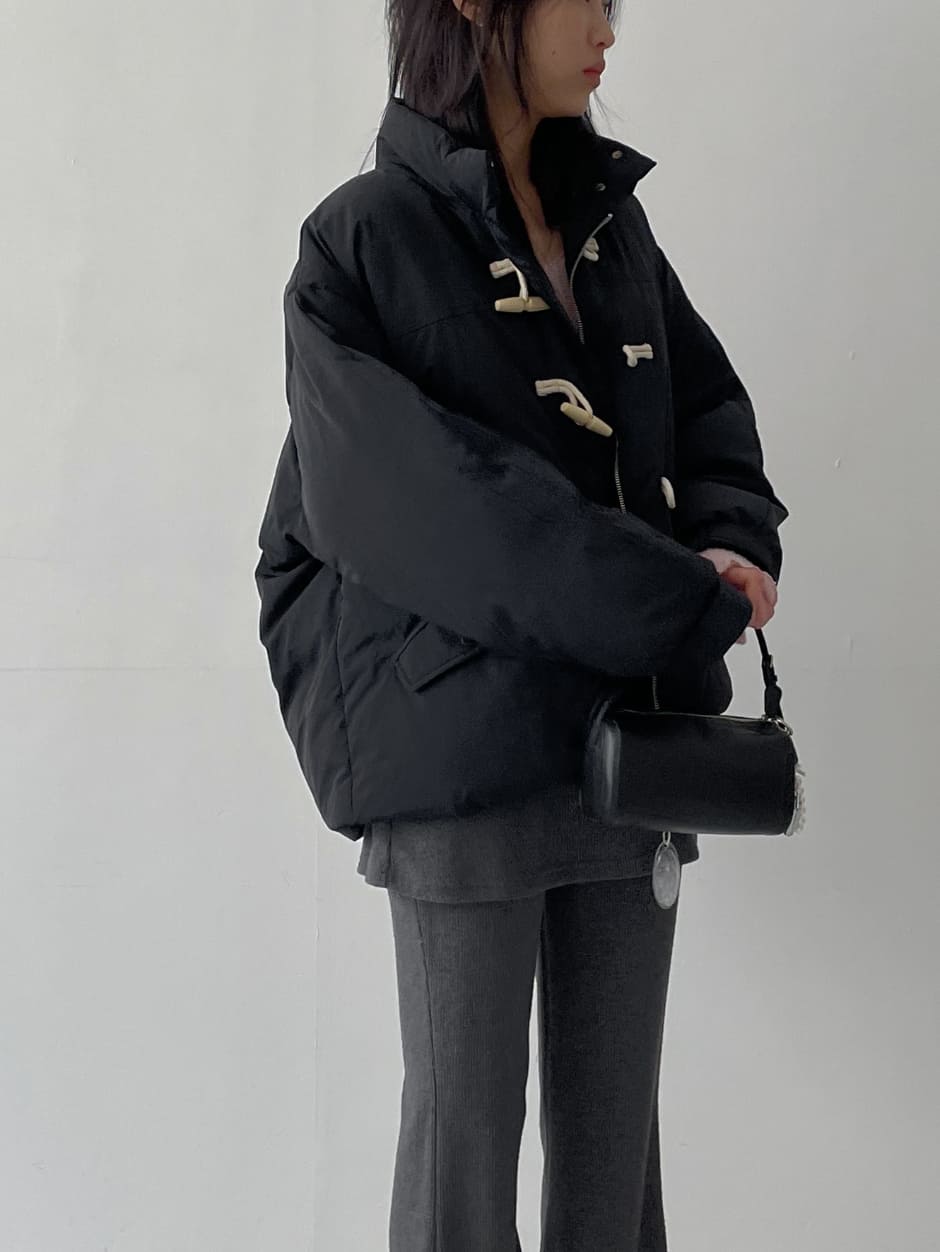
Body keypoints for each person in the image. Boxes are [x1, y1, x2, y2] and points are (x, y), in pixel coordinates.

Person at [254, 0, 788, 1246]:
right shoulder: (361, 239)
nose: (608, 28)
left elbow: (706, 408)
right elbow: (427, 505)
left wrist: (731, 542)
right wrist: (669, 600)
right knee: (463, 1156)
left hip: (627, 750)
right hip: (461, 756)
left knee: (612, 1166)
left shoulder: (609, 228)